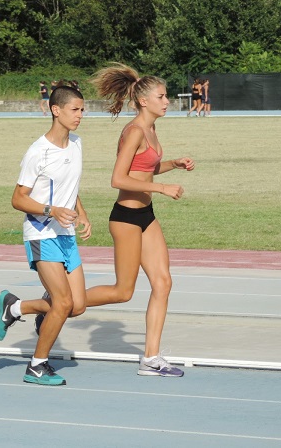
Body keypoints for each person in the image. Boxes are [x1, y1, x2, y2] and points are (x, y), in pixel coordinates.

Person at [82, 63, 195, 377]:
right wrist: (161, 188)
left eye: (166, 96)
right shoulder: (133, 131)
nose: (167, 100)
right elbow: (118, 179)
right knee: (123, 292)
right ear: (144, 101)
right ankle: (56, 302)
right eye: (161, 96)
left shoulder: (152, 129)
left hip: (146, 215)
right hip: (126, 218)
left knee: (163, 282)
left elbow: (145, 169)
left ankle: (151, 358)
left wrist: (174, 162)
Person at [0, 86, 92, 386]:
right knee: (61, 303)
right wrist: (51, 210)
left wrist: (81, 213)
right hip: (41, 232)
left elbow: (70, 188)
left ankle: (16, 307)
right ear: (55, 110)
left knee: (77, 306)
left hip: (66, 233)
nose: (80, 115)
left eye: (82, 110)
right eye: (75, 109)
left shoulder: (76, 144)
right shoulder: (38, 152)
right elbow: (18, 199)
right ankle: (37, 365)